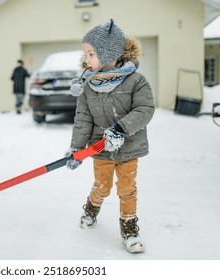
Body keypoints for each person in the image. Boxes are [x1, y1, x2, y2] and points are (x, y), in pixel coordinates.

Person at [65, 19, 155, 253]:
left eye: (91, 53)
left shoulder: (136, 81)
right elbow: (83, 119)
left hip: (129, 147)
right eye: (85, 54)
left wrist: (121, 128)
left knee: (127, 189)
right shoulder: (88, 87)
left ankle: (129, 227)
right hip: (100, 149)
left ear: (108, 53)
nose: (86, 60)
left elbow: (145, 110)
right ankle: (91, 208)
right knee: (103, 186)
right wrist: (76, 149)